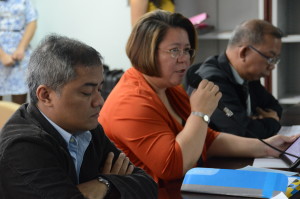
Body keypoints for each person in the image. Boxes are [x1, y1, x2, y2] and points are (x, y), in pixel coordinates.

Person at [99, 10, 299, 199]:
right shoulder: (130, 102)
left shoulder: (169, 87)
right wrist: (200, 113)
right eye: (175, 50)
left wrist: (266, 147)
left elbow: (206, 139)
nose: (184, 59)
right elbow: (173, 167)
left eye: (187, 50)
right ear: (145, 51)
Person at [0, 35, 157, 199]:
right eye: (86, 92)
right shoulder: (23, 147)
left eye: (99, 89)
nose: (99, 101)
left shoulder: (88, 129)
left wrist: (103, 184)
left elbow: (148, 186)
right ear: (46, 95)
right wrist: (116, 183)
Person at [186, 19, 283, 139]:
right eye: (270, 58)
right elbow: (243, 132)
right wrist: (272, 122)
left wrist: (259, 122)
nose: (272, 66)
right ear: (244, 52)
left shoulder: (249, 75)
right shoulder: (212, 82)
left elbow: (274, 107)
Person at [0, 0, 37, 104]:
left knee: (20, 99)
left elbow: (32, 22)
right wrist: (2, 55)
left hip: (20, 54)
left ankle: (17, 120)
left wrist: (21, 48)